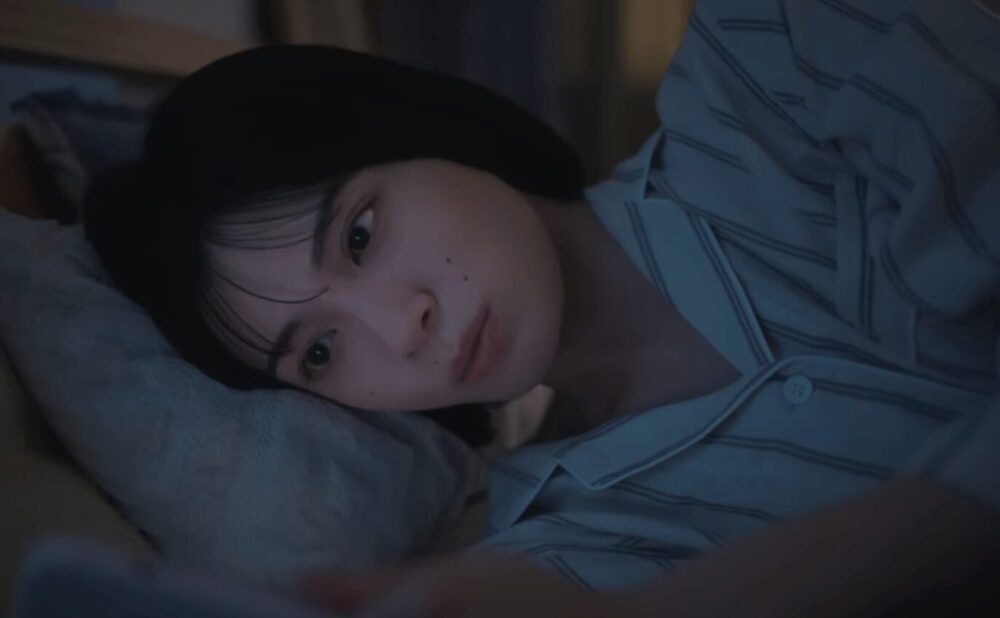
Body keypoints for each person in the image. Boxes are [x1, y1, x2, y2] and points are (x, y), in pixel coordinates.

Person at [83, 0, 1000, 615]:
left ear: (415, 131)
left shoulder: (768, 54)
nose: (400, 329)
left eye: (360, 233)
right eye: (319, 353)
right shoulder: (553, 548)